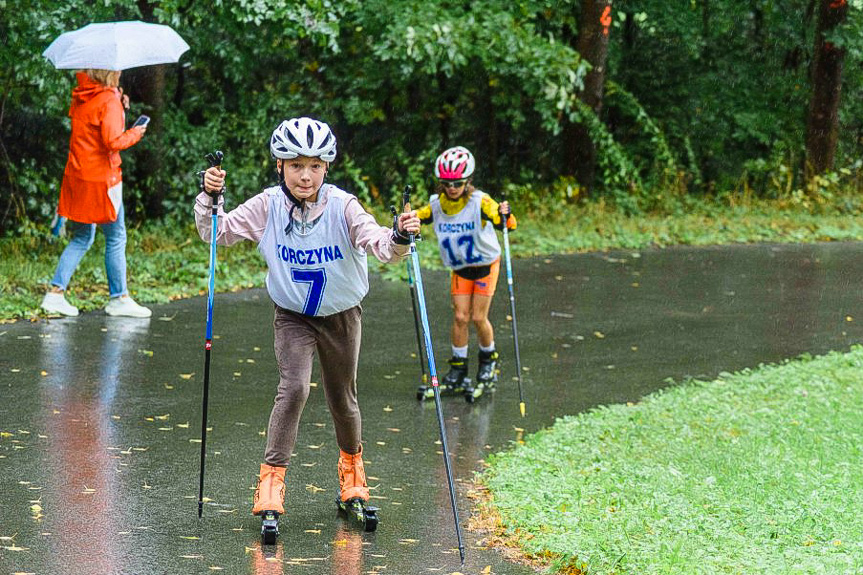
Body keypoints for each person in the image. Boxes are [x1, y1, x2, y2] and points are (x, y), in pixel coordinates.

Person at [195, 116, 420, 524]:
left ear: (326, 168)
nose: (305, 175)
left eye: (315, 166)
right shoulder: (267, 206)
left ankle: (353, 475)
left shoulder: (343, 206)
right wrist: (211, 198)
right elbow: (216, 233)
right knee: (294, 388)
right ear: (279, 166)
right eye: (296, 165)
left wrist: (400, 236)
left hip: (341, 315)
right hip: (293, 316)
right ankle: (270, 483)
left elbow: (379, 244)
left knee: (342, 397)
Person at [40, 69, 151, 318]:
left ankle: (55, 294)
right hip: (103, 181)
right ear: (109, 71)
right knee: (116, 236)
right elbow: (112, 142)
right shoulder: (108, 99)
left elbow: (94, 131)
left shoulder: (82, 95)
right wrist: (135, 132)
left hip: (78, 177)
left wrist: (120, 107)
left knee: (81, 238)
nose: (121, 71)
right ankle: (119, 298)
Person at [415, 146, 516, 392]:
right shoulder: (437, 205)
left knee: (478, 317)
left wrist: (505, 214)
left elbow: (506, 222)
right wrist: (406, 221)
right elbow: (418, 218)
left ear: (467, 181)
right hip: (460, 268)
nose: (452, 188)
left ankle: (488, 362)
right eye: (447, 183)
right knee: (460, 317)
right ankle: (458, 370)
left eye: (458, 183)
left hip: (485, 266)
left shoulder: (479, 201)